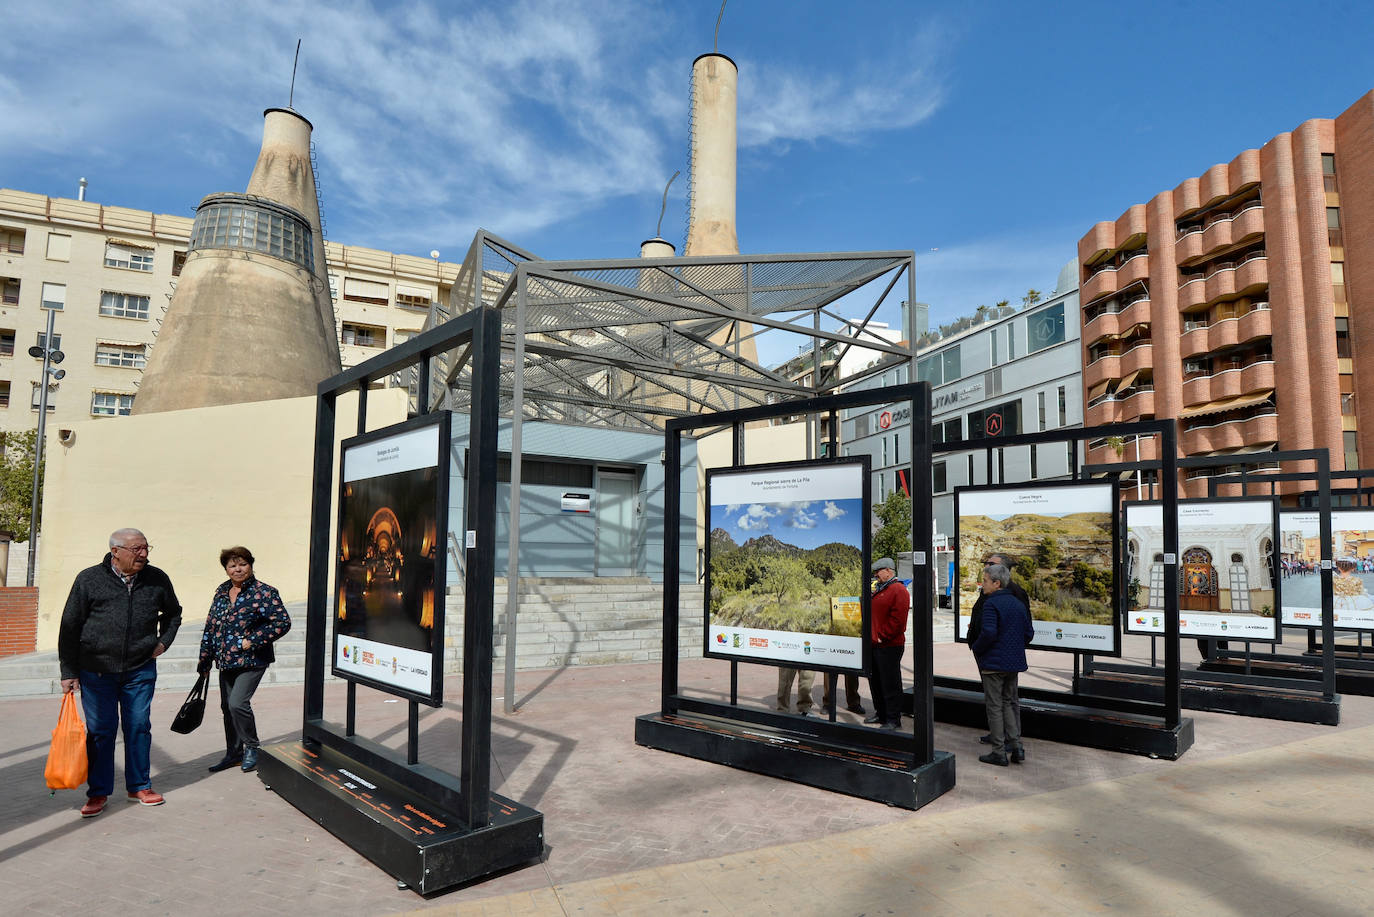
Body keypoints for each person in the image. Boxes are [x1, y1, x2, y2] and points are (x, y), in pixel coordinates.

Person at [58, 528, 182, 818]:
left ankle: (139, 786)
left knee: (138, 726)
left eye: (146, 548)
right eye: (136, 549)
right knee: (101, 731)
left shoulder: (157, 578)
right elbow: (70, 625)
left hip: (139, 668)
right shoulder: (88, 579)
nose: (143, 554)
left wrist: (163, 641)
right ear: (115, 551)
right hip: (96, 670)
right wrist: (69, 670)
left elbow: (174, 613)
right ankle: (98, 792)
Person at [198, 546, 292, 773]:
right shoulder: (221, 591)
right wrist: (205, 659)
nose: (238, 569)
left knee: (237, 703)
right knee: (227, 707)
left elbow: (282, 622)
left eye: (242, 564)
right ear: (226, 569)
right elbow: (211, 626)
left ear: (250, 565)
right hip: (225, 659)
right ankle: (234, 752)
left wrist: (254, 640)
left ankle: (252, 747)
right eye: (232, 565)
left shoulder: (265, 592)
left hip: (252, 659)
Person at [972, 562, 1034, 766]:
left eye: (986, 581)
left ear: (997, 583)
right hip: (1013, 664)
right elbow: (1028, 633)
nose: (982, 585)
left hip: (993, 664)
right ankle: (1016, 747)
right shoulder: (1017, 603)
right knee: (1008, 703)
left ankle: (998, 752)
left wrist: (978, 648)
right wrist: (1013, 647)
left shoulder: (991, 603)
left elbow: (988, 632)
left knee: (995, 706)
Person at [864, 557, 910, 730]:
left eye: (878, 571)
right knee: (876, 681)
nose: (876, 575)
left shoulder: (898, 590)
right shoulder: (881, 589)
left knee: (890, 683)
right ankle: (881, 713)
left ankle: (893, 719)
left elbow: (898, 621)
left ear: (889, 570)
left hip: (888, 645)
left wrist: (881, 636)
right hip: (876, 644)